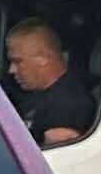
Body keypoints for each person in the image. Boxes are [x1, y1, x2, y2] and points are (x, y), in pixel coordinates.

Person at [5, 17, 94, 148]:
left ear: (43, 58)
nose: (11, 70)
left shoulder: (70, 106)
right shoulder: (37, 96)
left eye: (18, 61)